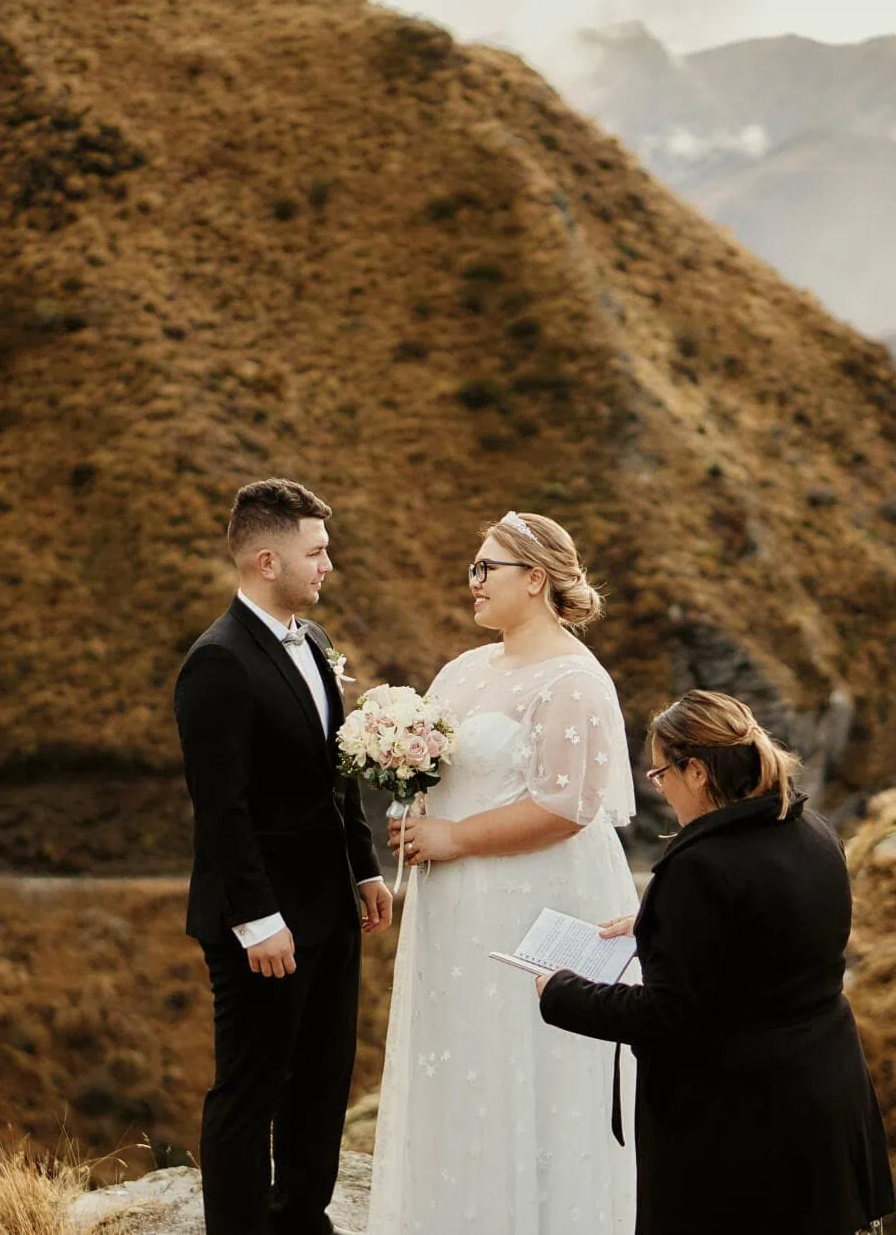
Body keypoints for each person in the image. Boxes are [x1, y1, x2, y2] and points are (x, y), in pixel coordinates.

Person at [365, 511, 638, 1235]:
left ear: (537, 579)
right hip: (455, 902)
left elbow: (569, 805)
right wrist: (413, 803)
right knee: (460, 1064)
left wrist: (453, 833)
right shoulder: (462, 668)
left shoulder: (575, 679)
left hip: (535, 896)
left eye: (487, 568)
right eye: (474, 568)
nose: (474, 582)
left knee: (532, 1066)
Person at [537, 690, 896, 1235]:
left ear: (698, 772)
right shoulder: (814, 832)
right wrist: (660, 924)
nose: (661, 789)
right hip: (823, 1092)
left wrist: (561, 991)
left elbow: (668, 1017)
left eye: (661, 775)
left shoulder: (699, 869)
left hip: (736, 1120)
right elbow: (775, 927)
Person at [173, 478, 395, 1235]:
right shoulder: (217, 662)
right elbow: (222, 810)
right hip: (260, 921)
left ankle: (301, 1217)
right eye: (317, 551)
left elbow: (334, 773)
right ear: (268, 559)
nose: (329, 564)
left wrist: (363, 864)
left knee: (323, 1079)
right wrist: (258, 919)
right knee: (250, 1090)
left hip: (329, 903)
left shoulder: (319, 643)